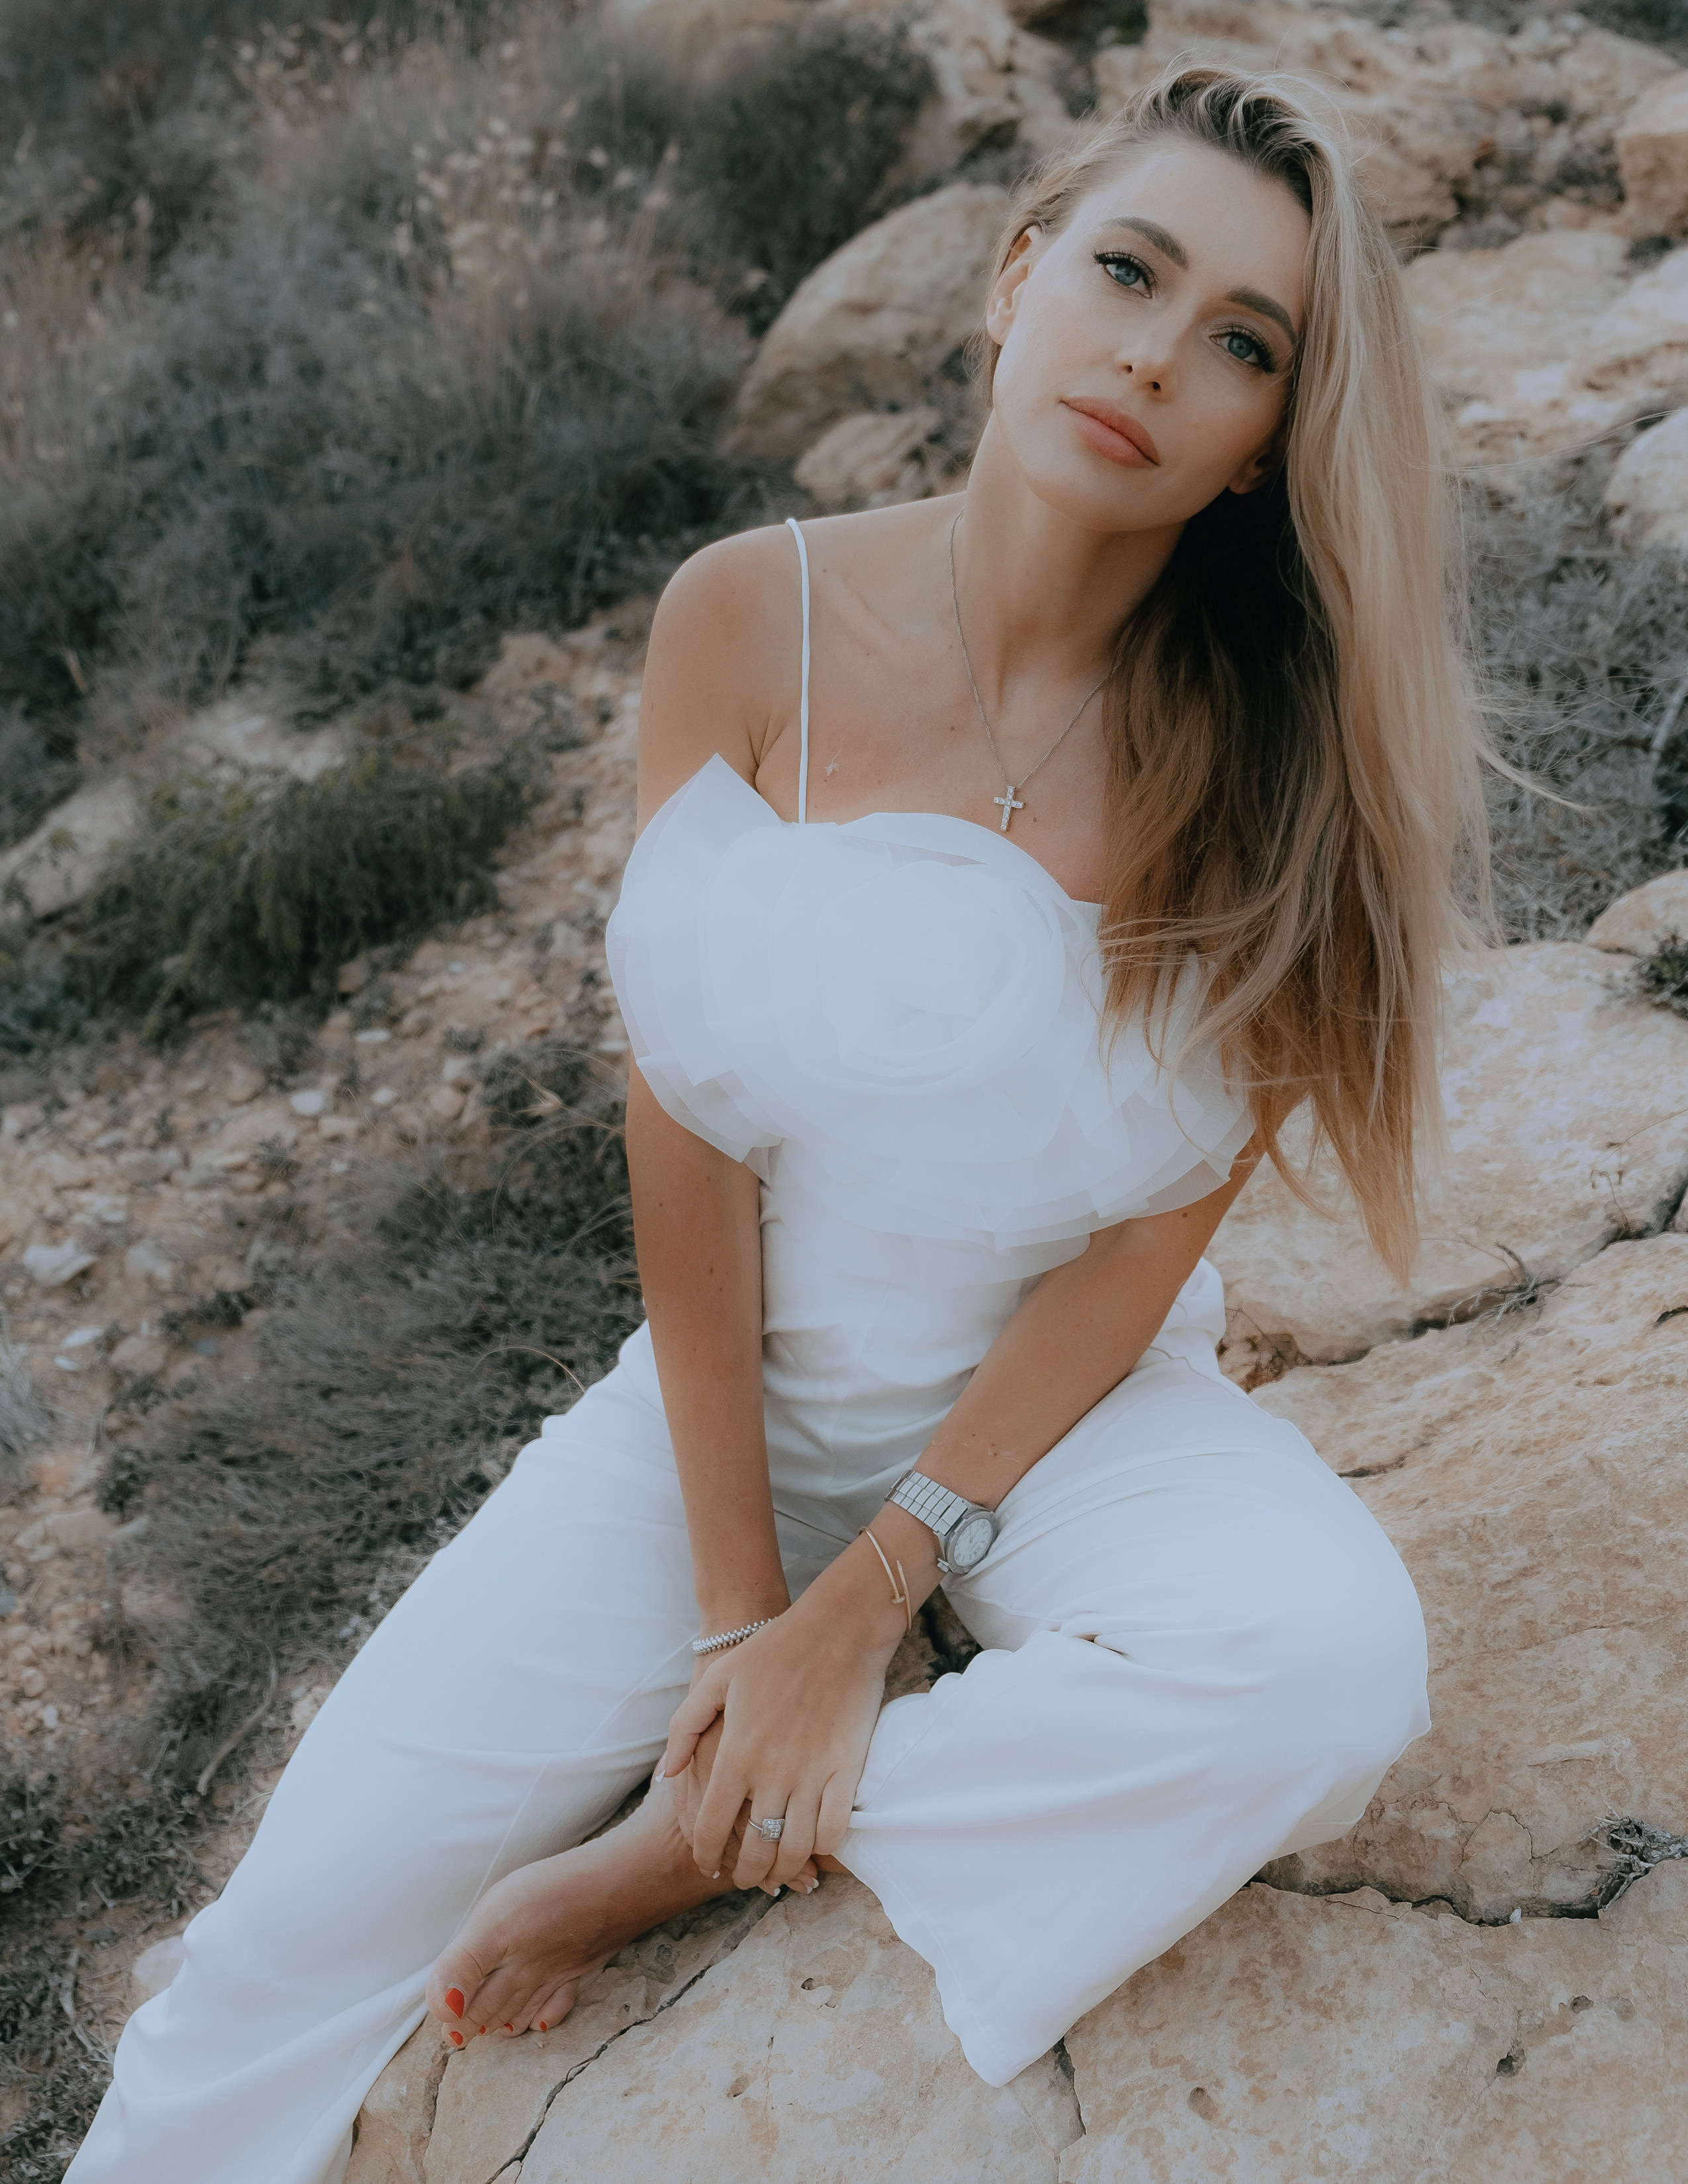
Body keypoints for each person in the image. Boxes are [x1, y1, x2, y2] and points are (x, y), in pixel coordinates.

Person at [71, 64, 1489, 2183]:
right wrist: (749, 1613)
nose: (1151, 357)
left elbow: (1144, 1244)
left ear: (1262, 444)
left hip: (1063, 1415)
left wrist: (874, 1597)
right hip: (724, 1402)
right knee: (276, 1951)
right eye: (1127, 271)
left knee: (1328, 1672)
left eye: (1241, 346)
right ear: (1017, 279)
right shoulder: (753, 616)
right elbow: (689, 1115)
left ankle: (685, 1853)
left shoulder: (1272, 749)